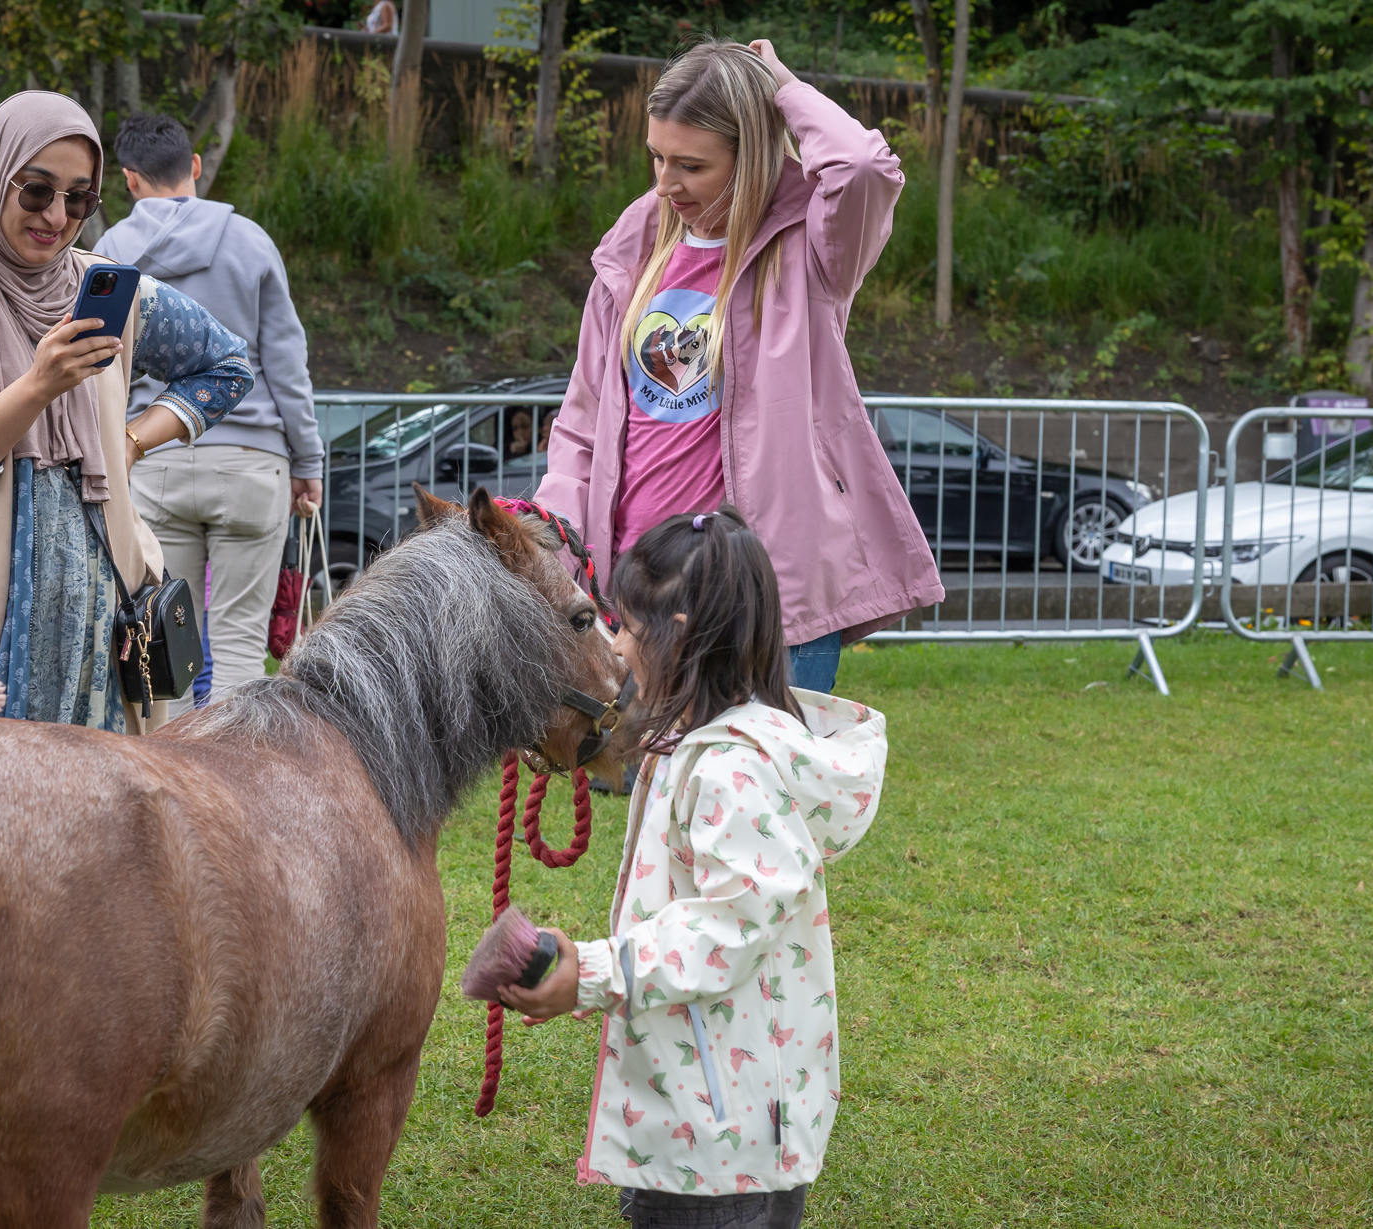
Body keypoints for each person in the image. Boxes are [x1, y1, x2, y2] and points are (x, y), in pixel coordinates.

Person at [497, 508, 886, 1227]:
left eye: (624, 626)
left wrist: (594, 970)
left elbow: (727, 929)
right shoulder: (695, 742)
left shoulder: (733, 770)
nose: (615, 644)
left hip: (721, 1140)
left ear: (678, 633)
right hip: (706, 1112)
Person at [0, 92, 254, 731]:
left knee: (103, 792)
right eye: (35, 191)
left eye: (79, 199)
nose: (56, 216)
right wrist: (36, 387)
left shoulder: (107, 289)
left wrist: (132, 442)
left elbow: (227, 365)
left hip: (103, 644)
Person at [535, 38, 942, 694]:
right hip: (638, 599)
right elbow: (581, 425)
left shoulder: (810, 247)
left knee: (755, 767)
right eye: (658, 157)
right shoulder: (632, 249)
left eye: (691, 165)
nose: (665, 183)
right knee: (644, 770)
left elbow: (863, 166)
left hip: (764, 606)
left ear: (749, 153)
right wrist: (557, 542)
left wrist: (782, 87)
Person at [99, 111, 323, 701]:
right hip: (253, 462)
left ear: (129, 179)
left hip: (154, 457)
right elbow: (285, 363)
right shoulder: (250, 240)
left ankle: (171, 762)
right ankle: (239, 762)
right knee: (240, 645)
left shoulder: (112, 250)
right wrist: (308, 461)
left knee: (165, 643)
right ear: (194, 166)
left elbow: (101, 368)